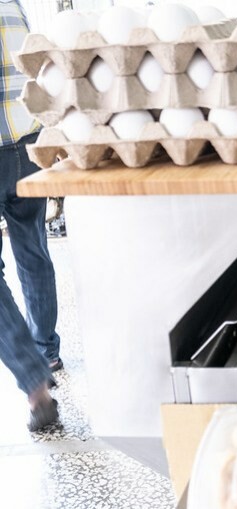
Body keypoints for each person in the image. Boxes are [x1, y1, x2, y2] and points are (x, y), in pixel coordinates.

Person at [0, 0, 61, 430]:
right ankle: (47, 349)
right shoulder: (14, 7)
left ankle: (35, 383)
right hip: (27, 144)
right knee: (33, 249)